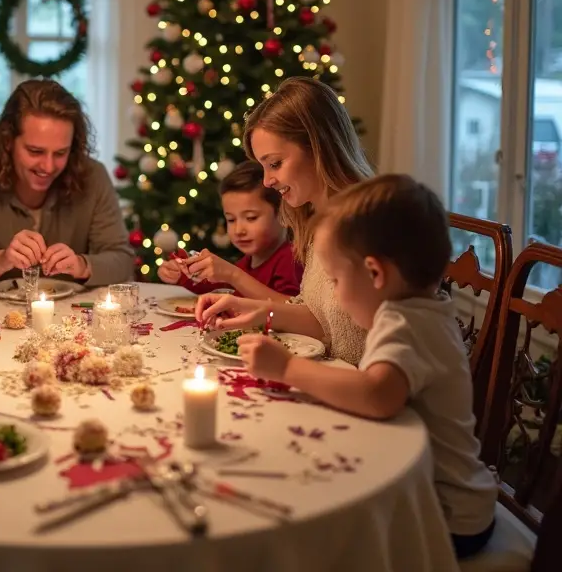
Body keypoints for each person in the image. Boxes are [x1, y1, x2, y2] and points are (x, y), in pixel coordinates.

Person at [204, 174, 498, 559]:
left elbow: (378, 396)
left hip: (442, 515)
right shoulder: (422, 309)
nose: (335, 296)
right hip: (435, 493)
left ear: (375, 274)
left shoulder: (405, 325)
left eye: (338, 280)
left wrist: (288, 369)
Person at [195, 77, 374, 364]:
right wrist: (246, 309)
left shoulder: (369, 224)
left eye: (275, 163)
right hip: (331, 377)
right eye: (263, 167)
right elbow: (322, 321)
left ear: (319, 146)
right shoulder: (318, 219)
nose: (267, 181)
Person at [0, 79, 134, 290]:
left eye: (61, 153)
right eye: (35, 151)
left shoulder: (93, 176)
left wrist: (82, 265)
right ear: (8, 141)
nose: (48, 166)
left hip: (71, 318)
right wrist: (0, 261)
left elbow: (122, 260)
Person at [157, 161, 302, 300]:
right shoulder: (247, 262)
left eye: (251, 218)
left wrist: (233, 275)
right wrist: (182, 275)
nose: (239, 230)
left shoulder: (290, 259)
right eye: (231, 220)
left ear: (284, 215)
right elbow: (218, 288)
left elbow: (290, 309)